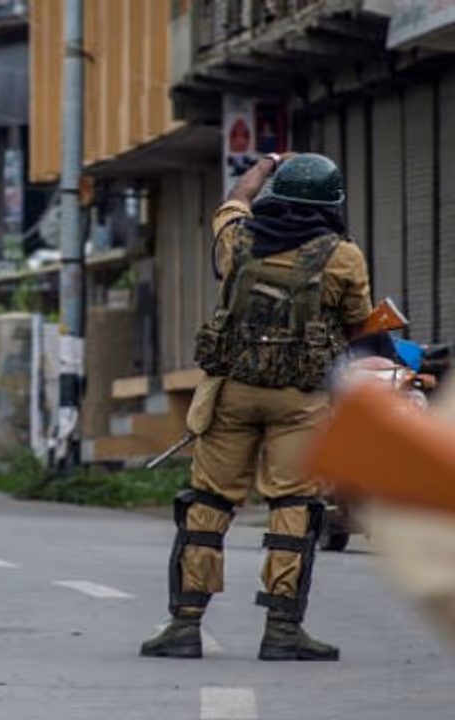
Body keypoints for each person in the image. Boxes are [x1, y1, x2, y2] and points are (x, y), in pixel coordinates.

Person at [139, 152, 371, 662]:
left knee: (210, 502)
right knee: (293, 506)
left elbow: (236, 198)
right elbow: (358, 323)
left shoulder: (237, 239)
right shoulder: (343, 256)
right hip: (302, 400)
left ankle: (183, 626)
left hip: (232, 393)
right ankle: (283, 631)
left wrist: (266, 161)